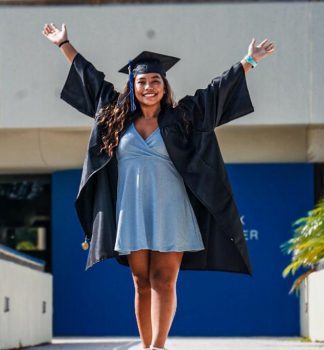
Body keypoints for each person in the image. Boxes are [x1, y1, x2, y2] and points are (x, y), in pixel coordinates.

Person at [42, 23, 275, 350]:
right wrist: (64, 44)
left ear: (164, 86)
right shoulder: (115, 116)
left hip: (171, 209)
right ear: (132, 86)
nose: (149, 87)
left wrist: (249, 61)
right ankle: (145, 343)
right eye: (142, 81)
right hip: (131, 208)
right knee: (140, 283)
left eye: (155, 81)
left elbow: (216, 91)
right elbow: (91, 79)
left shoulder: (184, 117)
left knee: (164, 281)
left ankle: (158, 347)